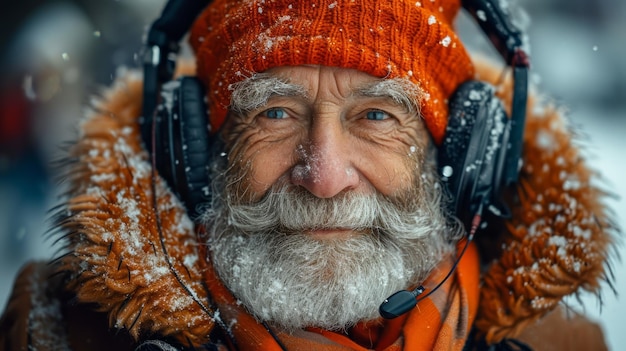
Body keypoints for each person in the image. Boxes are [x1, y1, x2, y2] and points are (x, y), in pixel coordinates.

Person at [0, 0, 618, 350]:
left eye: (376, 115)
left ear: (457, 158)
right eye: (274, 113)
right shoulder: (59, 333)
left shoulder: (566, 347)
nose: (323, 175)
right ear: (195, 153)